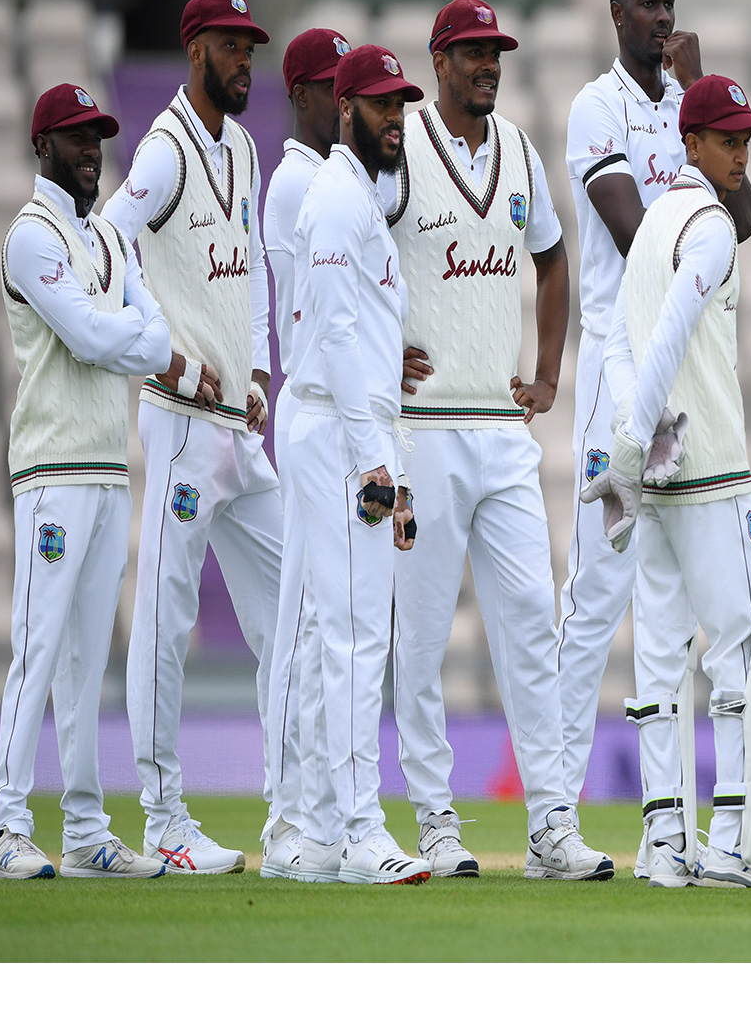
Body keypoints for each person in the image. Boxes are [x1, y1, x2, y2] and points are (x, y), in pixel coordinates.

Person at [385, 0, 611, 881]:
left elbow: (552, 260)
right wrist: (378, 350)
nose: (489, 65)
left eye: (496, 52)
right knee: (422, 638)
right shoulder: (401, 149)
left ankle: (551, 825)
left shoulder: (517, 149)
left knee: (530, 628)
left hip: (502, 430)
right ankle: (435, 822)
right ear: (438, 60)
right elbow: (350, 253)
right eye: (473, 52)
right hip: (424, 433)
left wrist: (547, 373)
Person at [557, 0, 751, 875]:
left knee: (665, 604)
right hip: (619, 366)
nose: (662, 18)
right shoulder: (596, 108)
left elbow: (740, 220)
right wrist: (694, 165)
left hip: (681, 379)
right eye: (647, 4)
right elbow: (641, 239)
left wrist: (700, 92)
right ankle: (552, 813)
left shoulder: (689, 107)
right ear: (616, 14)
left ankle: (665, 831)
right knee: (599, 594)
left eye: (670, 4)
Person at [586, 74, 751, 888]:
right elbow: (669, 334)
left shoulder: (652, 223)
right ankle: (732, 846)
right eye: (727, 139)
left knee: (659, 657)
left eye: (746, 140)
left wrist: (635, 437)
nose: (740, 153)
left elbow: (619, 342)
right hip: (708, 472)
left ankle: (665, 845)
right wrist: (635, 442)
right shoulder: (709, 224)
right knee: (740, 647)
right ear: (692, 142)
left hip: (662, 475)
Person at [101, 0, 282, 874]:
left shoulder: (242, 148)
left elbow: (250, 268)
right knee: (166, 621)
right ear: (194, 50)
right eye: (230, 45)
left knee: (295, 605)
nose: (245, 59)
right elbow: (108, 241)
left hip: (237, 429)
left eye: (250, 46)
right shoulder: (165, 151)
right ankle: (165, 819)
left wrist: (259, 370)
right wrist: (162, 355)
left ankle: (296, 808)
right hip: (178, 424)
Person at [0, 84, 173, 880]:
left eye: (96, 136)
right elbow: (96, 338)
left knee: (87, 660)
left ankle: (88, 831)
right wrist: (123, 330)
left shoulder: (108, 239)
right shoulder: (31, 237)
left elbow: (156, 343)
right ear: (43, 146)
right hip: (52, 468)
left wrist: (117, 331)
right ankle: (8, 828)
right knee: (38, 647)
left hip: (106, 465)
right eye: (75, 137)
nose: (91, 149)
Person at [284, 44, 430, 885]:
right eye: (379, 105)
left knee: (330, 634)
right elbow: (336, 337)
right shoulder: (341, 200)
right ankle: (358, 831)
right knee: (353, 635)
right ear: (345, 110)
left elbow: (356, 333)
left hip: (348, 429)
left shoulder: (355, 199)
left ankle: (320, 836)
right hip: (343, 436)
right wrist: (378, 466)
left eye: (400, 105)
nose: (394, 119)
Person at [257, 26, 350, 880]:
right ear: (301, 95)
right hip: (313, 405)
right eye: (333, 88)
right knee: (302, 616)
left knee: (331, 617)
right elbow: (318, 308)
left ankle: (320, 812)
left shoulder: (334, 179)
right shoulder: (295, 182)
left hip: (338, 407)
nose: (346, 102)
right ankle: (285, 816)